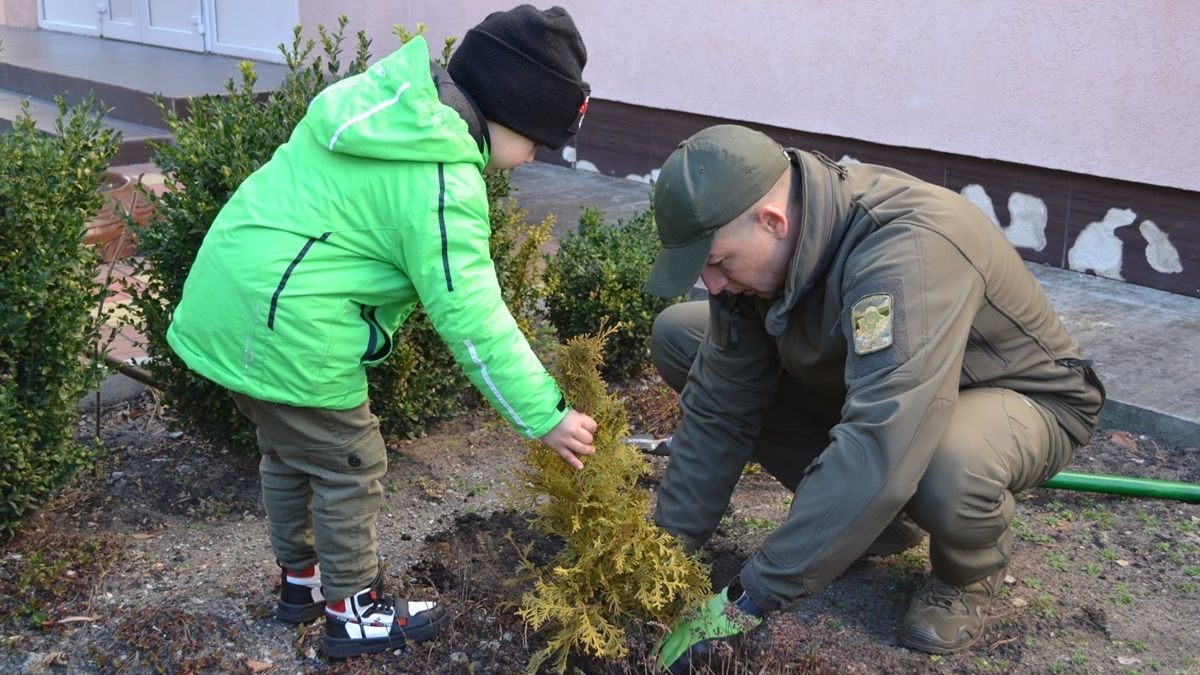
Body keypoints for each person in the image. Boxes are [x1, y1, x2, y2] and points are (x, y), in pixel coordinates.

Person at [165, 5, 597, 659]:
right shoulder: (441, 176)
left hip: (228, 303)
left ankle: (302, 585)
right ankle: (353, 612)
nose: (535, 156)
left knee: (289, 450)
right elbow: (472, 315)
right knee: (350, 461)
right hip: (291, 325)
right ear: (508, 110)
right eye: (538, 140)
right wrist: (546, 414)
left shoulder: (377, 106)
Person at [644, 125, 1105, 671]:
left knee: (947, 467)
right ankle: (874, 522)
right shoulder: (762, 252)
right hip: (889, 383)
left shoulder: (907, 250)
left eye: (719, 263)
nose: (713, 284)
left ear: (773, 222)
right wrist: (662, 553)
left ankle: (967, 576)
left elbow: (883, 435)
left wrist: (749, 600)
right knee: (682, 336)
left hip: (1018, 396)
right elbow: (720, 407)